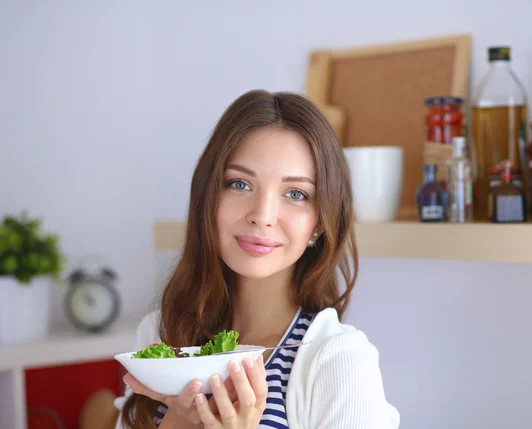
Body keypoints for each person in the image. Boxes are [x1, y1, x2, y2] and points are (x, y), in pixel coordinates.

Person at [113, 89, 400, 429]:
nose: (262, 215)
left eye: (295, 194)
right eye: (239, 184)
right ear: (207, 198)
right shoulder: (162, 334)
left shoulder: (337, 359)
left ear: (320, 223)